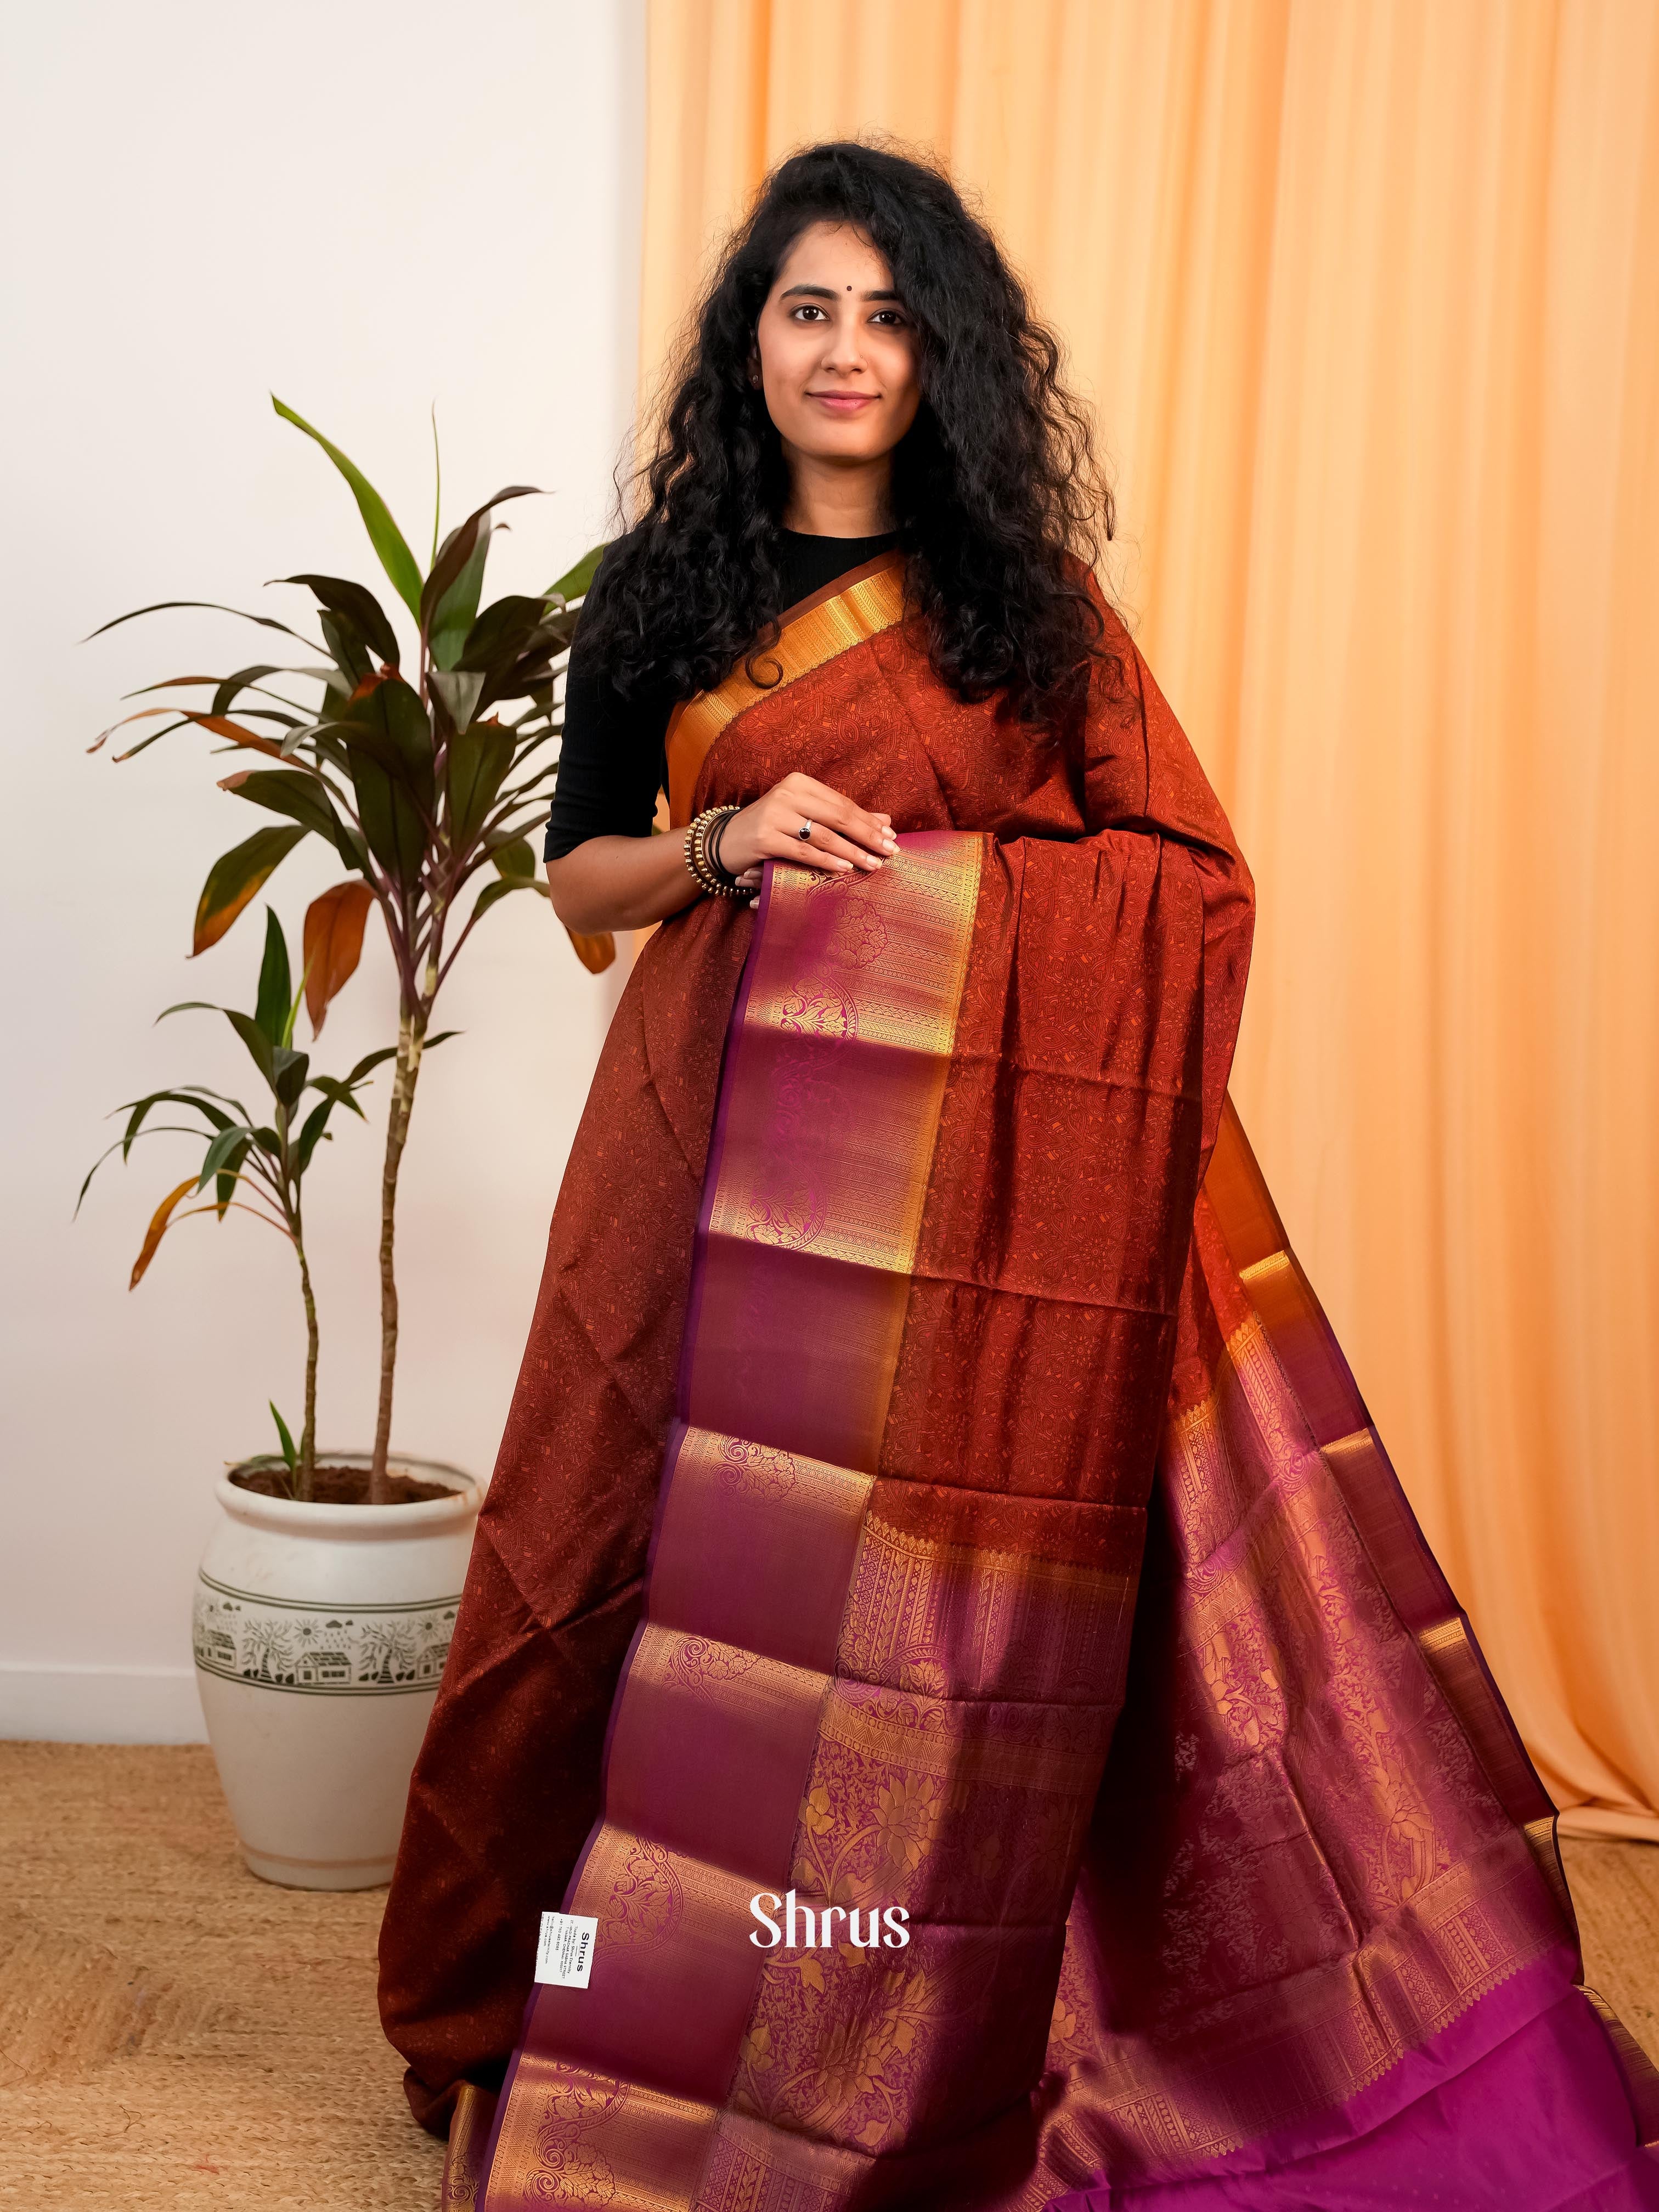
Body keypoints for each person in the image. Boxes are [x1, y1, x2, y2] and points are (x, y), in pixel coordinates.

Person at [378, 140, 1659, 2211]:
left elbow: (1186, 881)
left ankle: (896, 2010)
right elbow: (580, 881)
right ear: (750, 342)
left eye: (889, 314)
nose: (847, 349)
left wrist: (933, 903)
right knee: (623, 1560)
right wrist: (725, 841)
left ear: (942, 351)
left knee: (924, 1629)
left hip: (985, 1233)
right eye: (808, 307)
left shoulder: (1027, 607)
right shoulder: (660, 589)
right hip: (706, 1164)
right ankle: (604, 1991)